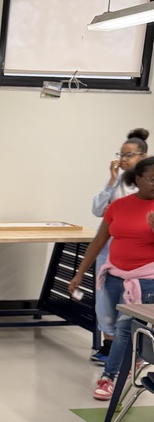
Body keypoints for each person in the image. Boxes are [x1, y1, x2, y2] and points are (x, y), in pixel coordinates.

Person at [69, 154, 154, 401]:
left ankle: (109, 377)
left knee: (125, 329)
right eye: (152, 179)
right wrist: (79, 273)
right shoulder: (118, 206)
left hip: (145, 280)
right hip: (114, 275)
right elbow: (99, 241)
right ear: (138, 180)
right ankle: (132, 360)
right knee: (113, 326)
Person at [89, 128, 149, 364]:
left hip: (138, 256)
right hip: (109, 252)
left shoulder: (145, 186)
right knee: (105, 298)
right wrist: (112, 181)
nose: (123, 159)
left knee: (133, 300)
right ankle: (108, 346)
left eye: (129, 155)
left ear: (142, 157)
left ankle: (135, 351)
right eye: (121, 154)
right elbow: (97, 210)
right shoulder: (116, 184)